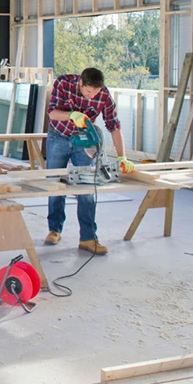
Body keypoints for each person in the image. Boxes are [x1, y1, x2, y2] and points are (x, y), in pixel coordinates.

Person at [43, 67, 134, 255]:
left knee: (87, 186)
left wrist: (122, 156)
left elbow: (114, 126)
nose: (92, 97)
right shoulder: (64, 83)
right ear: (81, 83)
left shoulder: (104, 96)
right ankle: (54, 229)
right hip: (58, 136)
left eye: (96, 92)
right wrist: (72, 115)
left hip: (84, 140)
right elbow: (52, 113)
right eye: (88, 92)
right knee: (55, 183)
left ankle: (88, 237)